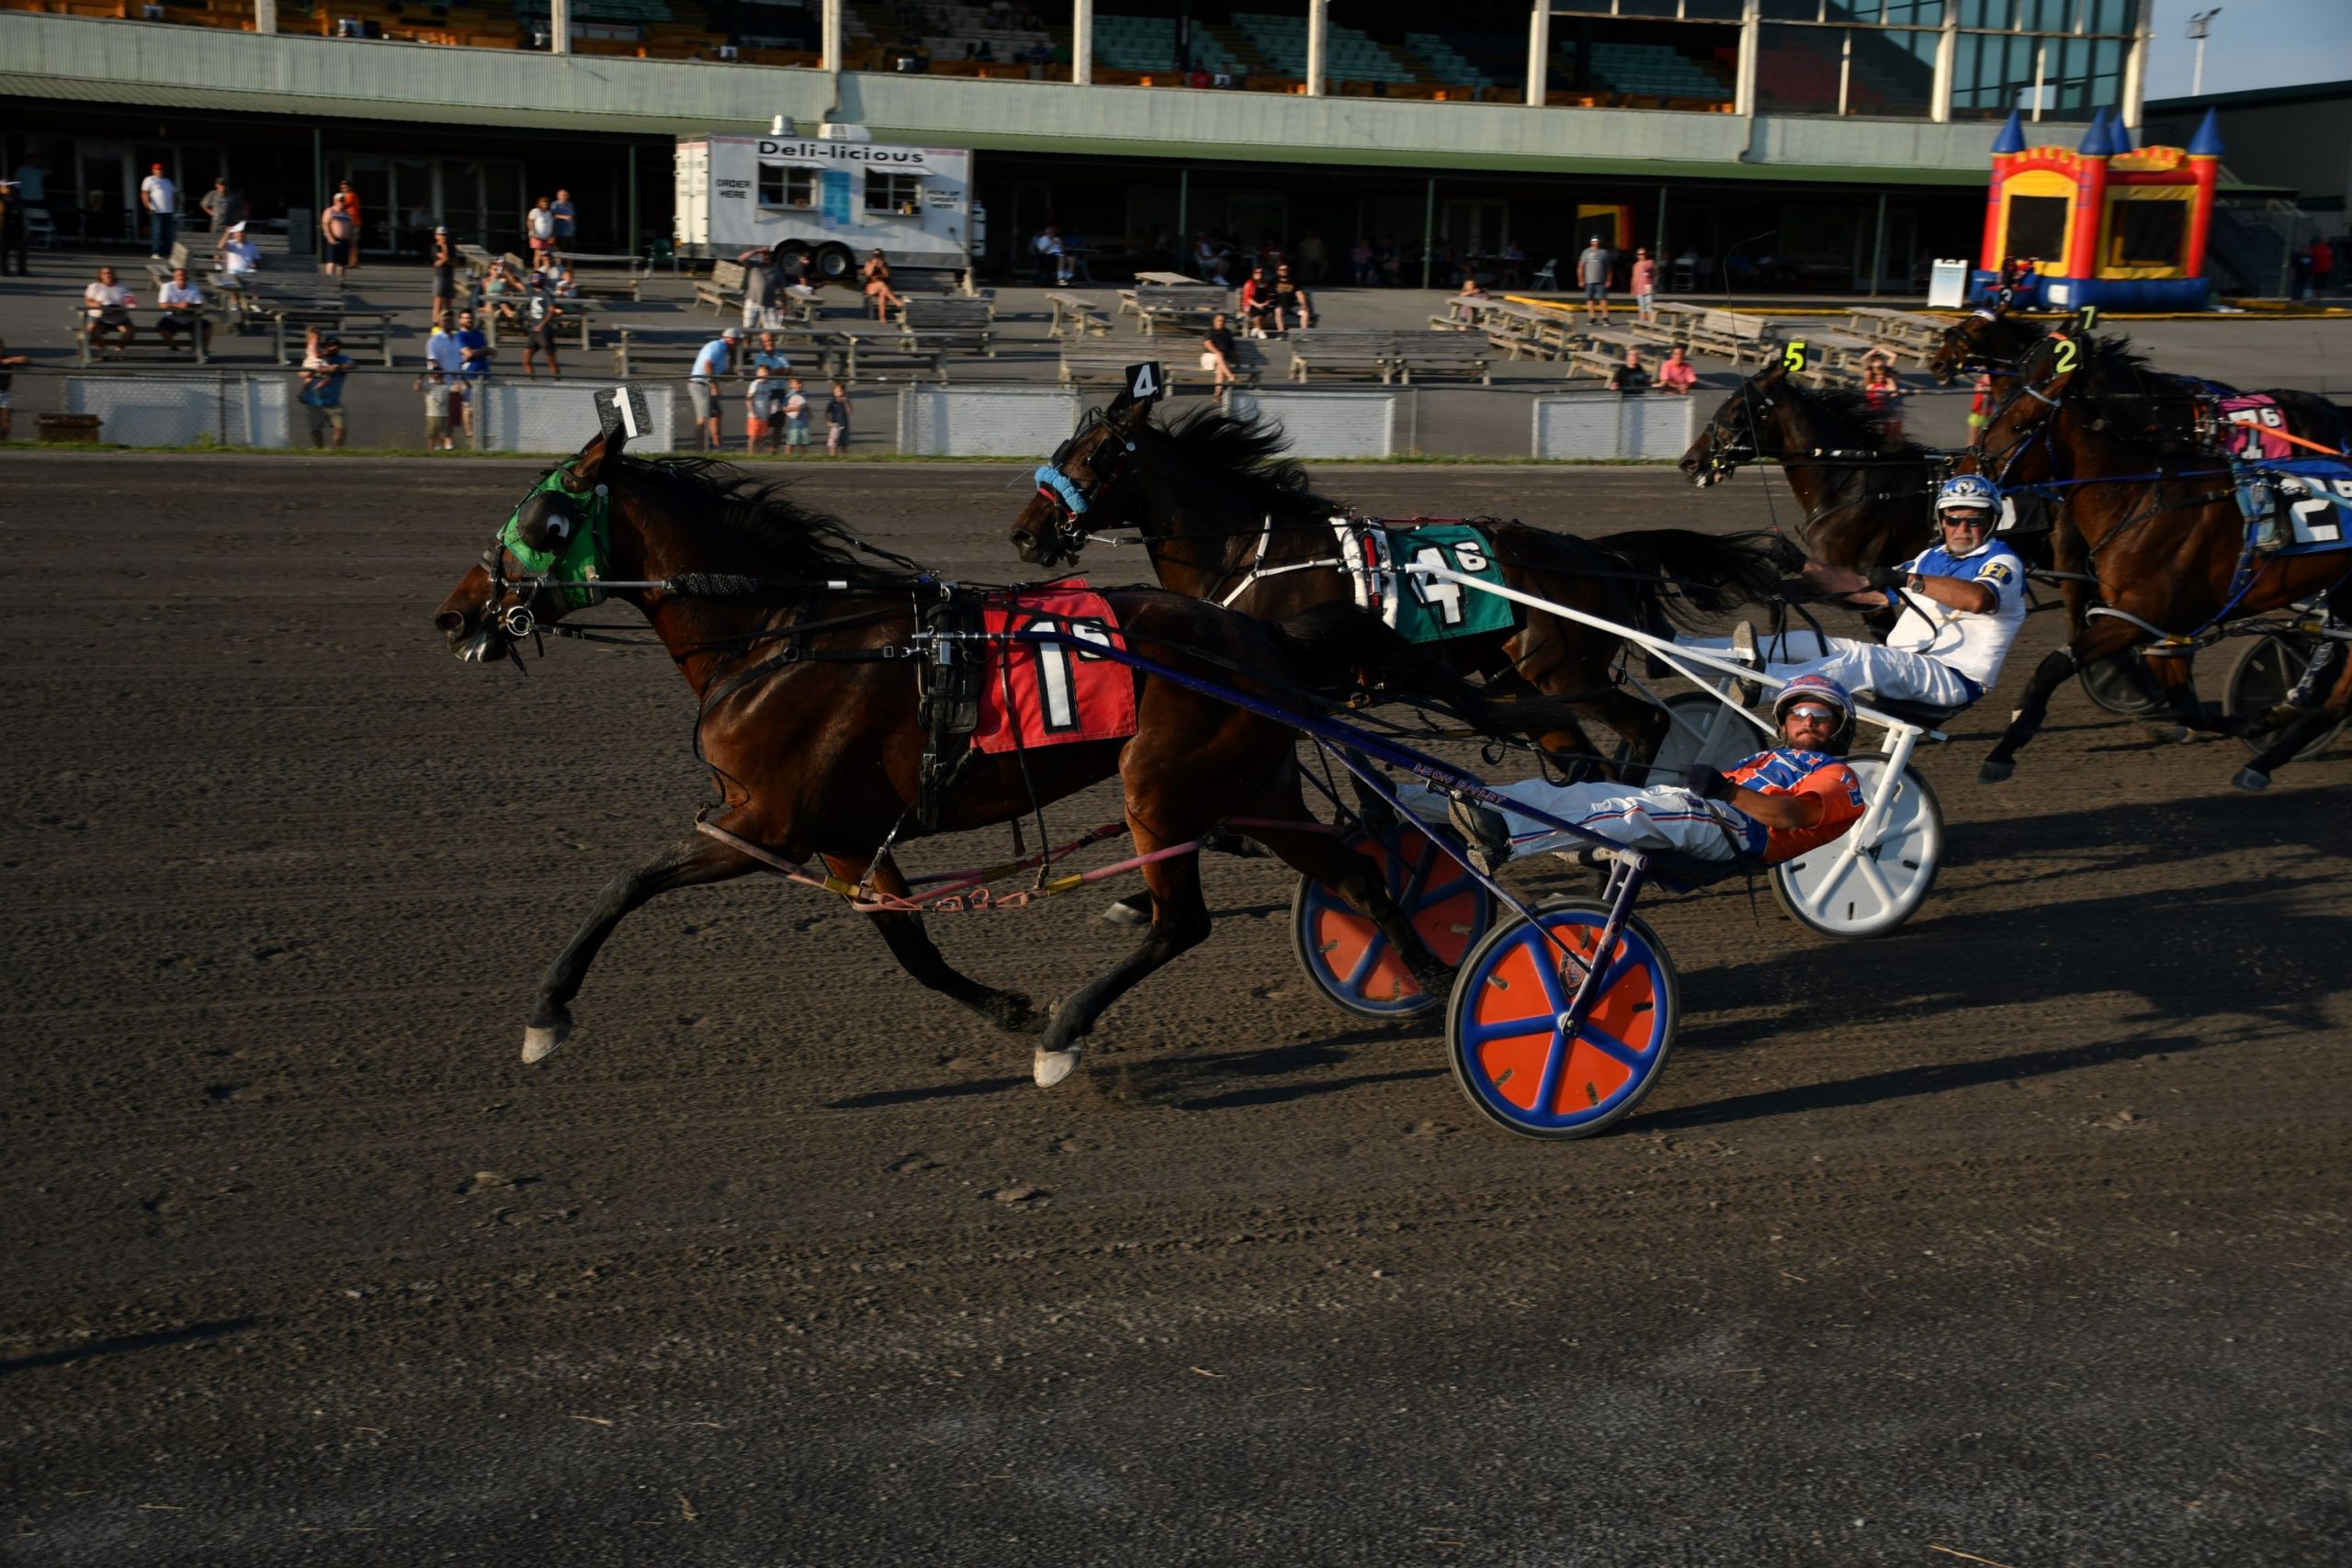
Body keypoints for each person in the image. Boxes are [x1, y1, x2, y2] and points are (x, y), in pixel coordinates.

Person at [1423, 675, 1869, 876]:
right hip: (1709, 812)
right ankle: (1452, 805)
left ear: (1839, 728)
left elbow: (1791, 815)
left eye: (1821, 716)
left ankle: (1506, 838)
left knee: (1636, 810)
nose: (1808, 721)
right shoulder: (1764, 758)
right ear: (1785, 722)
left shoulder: (1838, 775)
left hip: (1743, 835)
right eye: (1799, 714)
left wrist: (1724, 788)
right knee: (1582, 791)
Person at [1686, 475, 2027, 711]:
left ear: (1992, 522)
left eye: (1974, 521)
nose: (1963, 529)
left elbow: (1978, 600)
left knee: (1865, 659)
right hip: (1905, 665)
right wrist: (1803, 566)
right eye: (1954, 520)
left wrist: (1908, 580)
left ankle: (1763, 685)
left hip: (1954, 677)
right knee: (1805, 641)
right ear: (1942, 520)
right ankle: (1682, 654)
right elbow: (1864, 590)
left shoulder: (2003, 561)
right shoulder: (1931, 557)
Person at [299, 336, 353, 449]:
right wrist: (315, 371)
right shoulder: (315, 359)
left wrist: (338, 367)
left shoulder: (342, 359)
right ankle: (320, 450)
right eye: (331, 345)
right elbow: (301, 373)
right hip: (315, 401)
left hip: (332, 401)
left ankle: (336, 451)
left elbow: (353, 365)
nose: (334, 348)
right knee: (315, 429)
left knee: (341, 427)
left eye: (337, 346)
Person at [691, 327, 737, 451]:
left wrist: (729, 376)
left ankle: (717, 445)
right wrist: (713, 385)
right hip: (700, 384)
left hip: (705, 384)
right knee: (702, 417)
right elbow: (708, 364)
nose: (737, 344)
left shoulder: (723, 351)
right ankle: (699, 449)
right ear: (730, 339)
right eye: (736, 341)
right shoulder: (718, 347)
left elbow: (716, 370)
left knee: (716, 413)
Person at [82, 265, 136, 355]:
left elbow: (131, 301)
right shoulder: (95, 286)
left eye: (110, 273)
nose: (108, 275)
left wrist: (127, 306)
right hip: (99, 315)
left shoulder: (122, 287)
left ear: (114, 274)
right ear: (101, 275)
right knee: (93, 330)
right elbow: (88, 301)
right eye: (105, 273)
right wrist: (97, 305)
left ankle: (119, 350)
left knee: (129, 332)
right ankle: (104, 351)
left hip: (119, 316)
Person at [156, 265, 209, 354]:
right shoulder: (167, 287)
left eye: (184, 275)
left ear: (187, 277)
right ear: (174, 277)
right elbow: (162, 305)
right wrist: (178, 306)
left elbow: (199, 304)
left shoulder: (194, 287)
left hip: (191, 318)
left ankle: (202, 351)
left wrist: (189, 305)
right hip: (172, 317)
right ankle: (173, 348)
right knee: (161, 327)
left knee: (207, 326)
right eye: (179, 276)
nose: (182, 277)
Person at [517, 284, 563, 379]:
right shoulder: (532, 292)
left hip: (544, 331)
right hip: (534, 331)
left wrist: (541, 325)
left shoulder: (546, 294)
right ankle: (532, 382)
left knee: (551, 360)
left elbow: (551, 311)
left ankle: (558, 383)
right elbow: (516, 284)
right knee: (526, 359)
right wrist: (505, 271)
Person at [737, 244, 782, 333]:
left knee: (772, 331)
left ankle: (768, 345)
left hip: (768, 303)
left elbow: (782, 289)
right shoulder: (754, 266)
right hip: (752, 301)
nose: (765, 256)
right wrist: (756, 251)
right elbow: (740, 259)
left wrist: (783, 306)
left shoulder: (777, 270)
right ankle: (747, 346)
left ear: (772, 255)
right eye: (763, 254)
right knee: (748, 330)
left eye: (768, 254)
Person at [1199, 310, 1239, 404]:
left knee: (1220, 368)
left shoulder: (1227, 332)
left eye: (1223, 321)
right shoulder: (1210, 331)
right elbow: (1207, 344)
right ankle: (1231, 376)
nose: (1221, 323)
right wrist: (1217, 352)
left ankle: (1217, 394)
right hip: (1209, 358)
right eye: (1219, 320)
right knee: (1219, 356)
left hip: (1223, 361)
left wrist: (1237, 361)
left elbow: (1233, 348)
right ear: (1214, 321)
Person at [139, 162, 176, 259]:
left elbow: (173, 194)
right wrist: (148, 207)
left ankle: (168, 252)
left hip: (168, 211)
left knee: (169, 233)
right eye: (157, 169)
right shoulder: (149, 180)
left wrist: (174, 206)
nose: (159, 171)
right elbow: (144, 194)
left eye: (161, 169)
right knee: (157, 232)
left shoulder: (168, 181)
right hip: (156, 211)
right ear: (153, 170)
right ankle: (155, 252)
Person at [1862, 358, 1905, 444]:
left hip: (1883, 409)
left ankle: (1890, 440)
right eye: (1878, 376)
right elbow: (1866, 370)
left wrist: (1888, 375)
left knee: (1891, 425)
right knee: (1872, 427)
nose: (1880, 378)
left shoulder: (1886, 385)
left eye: (1882, 376)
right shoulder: (1870, 385)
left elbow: (1894, 392)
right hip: (1872, 409)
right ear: (1874, 377)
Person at [320, 194, 356, 283]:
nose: (342, 202)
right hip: (333, 240)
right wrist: (329, 237)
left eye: (343, 200)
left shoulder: (347, 213)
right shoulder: (330, 211)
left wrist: (351, 239)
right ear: (335, 201)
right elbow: (325, 224)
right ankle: (329, 281)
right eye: (340, 200)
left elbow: (351, 227)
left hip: (345, 241)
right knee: (331, 261)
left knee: (342, 263)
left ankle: (341, 282)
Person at [418, 367, 456, 450]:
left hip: (444, 415)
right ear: (432, 376)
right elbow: (416, 389)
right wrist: (419, 379)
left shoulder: (446, 386)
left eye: (440, 376)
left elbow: (458, 389)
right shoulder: (429, 386)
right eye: (435, 375)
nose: (438, 377)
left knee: (445, 435)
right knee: (431, 436)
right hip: (431, 415)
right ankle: (431, 453)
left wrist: (455, 378)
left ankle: (445, 450)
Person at [1270, 263, 1313, 333]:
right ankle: (1281, 333)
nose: (1284, 271)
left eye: (1286, 269)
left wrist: (1303, 305)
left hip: (1292, 306)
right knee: (1278, 310)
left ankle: (1304, 334)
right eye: (1282, 270)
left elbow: (1300, 294)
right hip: (1280, 307)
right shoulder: (1273, 282)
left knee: (1305, 313)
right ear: (1278, 271)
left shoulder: (1293, 281)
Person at [862, 250, 904, 319]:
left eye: (879, 256)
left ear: (882, 256)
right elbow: (867, 275)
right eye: (875, 256)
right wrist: (873, 265)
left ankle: (882, 317)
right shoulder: (868, 263)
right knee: (881, 284)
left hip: (883, 288)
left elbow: (887, 276)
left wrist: (882, 267)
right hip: (871, 287)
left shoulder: (884, 264)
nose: (877, 257)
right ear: (873, 256)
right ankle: (896, 302)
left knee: (883, 293)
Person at [1578, 235, 1611, 323]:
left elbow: (1608, 267)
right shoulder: (1586, 252)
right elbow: (1581, 266)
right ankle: (1592, 317)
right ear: (1591, 242)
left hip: (1601, 280)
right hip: (1589, 281)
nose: (1595, 242)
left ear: (1599, 242)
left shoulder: (1604, 252)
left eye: (1597, 241)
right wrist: (1581, 279)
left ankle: (1605, 317)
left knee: (1603, 299)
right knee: (1589, 299)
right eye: (1593, 241)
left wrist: (1609, 280)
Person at [745, 365, 779, 453]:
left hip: (764, 415)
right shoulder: (755, 384)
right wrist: (752, 412)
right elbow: (748, 399)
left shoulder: (769, 385)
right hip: (755, 415)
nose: (764, 374)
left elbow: (771, 400)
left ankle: (759, 455)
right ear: (757, 373)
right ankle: (750, 455)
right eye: (761, 372)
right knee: (753, 437)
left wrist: (771, 412)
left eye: (766, 372)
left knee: (762, 437)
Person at [0, 335, 27, 441]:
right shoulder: (6, 360)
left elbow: (24, 359)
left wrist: (13, 359)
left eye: (1, 347)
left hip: (4, 392)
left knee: (6, 416)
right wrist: (8, 361)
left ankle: (4, 438)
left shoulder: (7, 358)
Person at [1239, 265, 1276, 338]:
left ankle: (1256, 328)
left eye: (1261, 272)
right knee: (1257, 314)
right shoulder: (1249, 283)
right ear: (1253, 274)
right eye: (1257, 272)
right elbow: (1248, 298)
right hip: (1251, 305)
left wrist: (1265, 303)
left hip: (1262, 304)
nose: (1259, 274)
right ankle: (1260, 331)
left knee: (1270, 314)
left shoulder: (1265, 284)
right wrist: (1258, 305)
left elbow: (1267, 297)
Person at [430, 226, 457, 322]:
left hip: (449, 276)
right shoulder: (435, 247)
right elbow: (445, 257)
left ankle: (449, 323)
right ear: (436, 236)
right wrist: (444, 246)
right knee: (438, 302)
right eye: (441, 235)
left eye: (445, 235)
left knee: (449, 302)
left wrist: (442, 261)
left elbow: (453, 263)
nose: (444, 237)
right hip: (439, 277)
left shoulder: (451, 247)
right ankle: (435, 323)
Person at [782, 375, 812, 456]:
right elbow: (784, 409)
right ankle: (787, 458)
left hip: (804, 422)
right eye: (797, 383)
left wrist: (809, 412)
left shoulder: (805, 393)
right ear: (790, 385)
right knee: (791, 443)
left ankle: (805, 459)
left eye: (801, 383)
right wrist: (796, 409)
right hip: (793, 423)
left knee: (804, 443)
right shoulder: (788, 396)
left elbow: (806, 405)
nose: (799, 385)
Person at [1630, 245, 1658, 324]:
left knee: (1649, 306)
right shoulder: (1635, 265)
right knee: (1642, 307)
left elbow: (1657, 271)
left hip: (1648, 287)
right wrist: (1632, 289)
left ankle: (1651, 324)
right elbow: (1633, 277)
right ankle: (1642, 323)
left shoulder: (1650, 262)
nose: (1642, 255)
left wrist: (1651, 275)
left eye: (1643, 254)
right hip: (1639, 288)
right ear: (1637, 255)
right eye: (1640, 254)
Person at [526, 196, 558, 264]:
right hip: (537, 236)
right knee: (537, 255)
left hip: (547, 238)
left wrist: (552, 235)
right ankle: (536, 272)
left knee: (545, 256)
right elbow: (529, 221)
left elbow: (551, 225)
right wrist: (531, 231)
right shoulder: (535, 211)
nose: (545, 203)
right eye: (543, 202)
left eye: (546, 202)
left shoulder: (550, 213)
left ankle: (544, 272)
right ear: (539, 203)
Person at [1966, 369, 1996, 439]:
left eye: (1990, 377)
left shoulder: (1993, 388)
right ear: (1983, 377)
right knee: (1973, 437)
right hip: (1976, 413)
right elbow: (1982, 389)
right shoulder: (1979, 384)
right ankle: (1971, 448)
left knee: (1985, 436)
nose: (1988, 378)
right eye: (1987, 376)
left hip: (1987, 415)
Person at [826, 378, 852, 455]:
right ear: (833, 392)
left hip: (844, 425)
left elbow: (849, 412)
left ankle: (845, 457)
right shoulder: (832, 402)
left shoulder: (846, 401)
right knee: (833, 444)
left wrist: (846, 403)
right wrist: (828, 421)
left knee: (844, 444)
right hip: (835, 425)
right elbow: (828, 412)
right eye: (836, 391)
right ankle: (832, 457)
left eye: (840, 391)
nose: (839, 393)